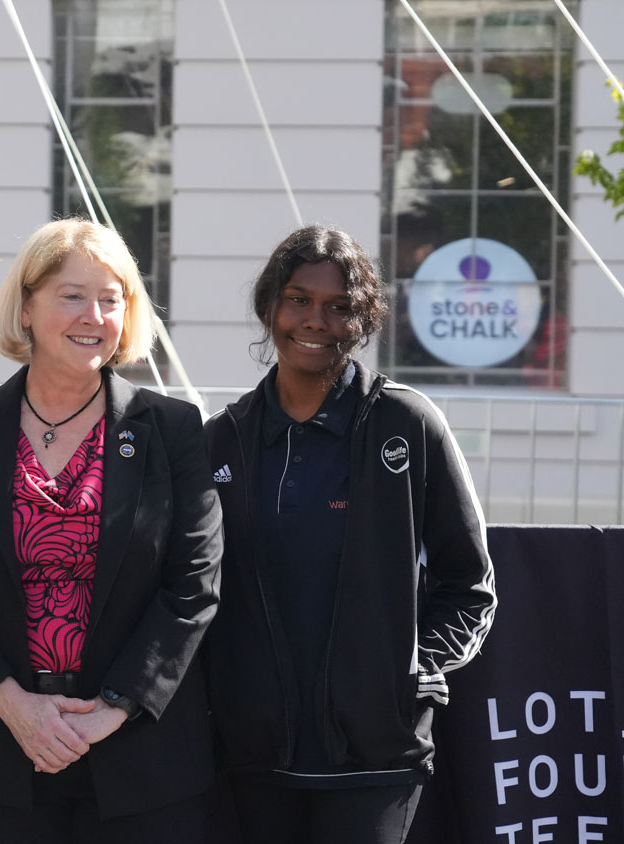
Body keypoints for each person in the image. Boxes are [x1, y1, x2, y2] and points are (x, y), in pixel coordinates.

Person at [0, 219, 222, 842]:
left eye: (112, 299)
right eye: (72, 295)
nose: (95, 315)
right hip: (3, 755)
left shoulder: (173, 429)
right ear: (26, 307)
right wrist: (16, 708)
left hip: (140, 757)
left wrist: (112, 709)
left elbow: (194, 587)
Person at [203, 224, 496, 844]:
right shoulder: (221, 438)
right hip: (253, 754)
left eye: (340, 307)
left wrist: (412, 669)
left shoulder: (407, 423)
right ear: (270, 307)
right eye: (298, 299)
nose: (316, 320)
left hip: (376, 756)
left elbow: (470, 583)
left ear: (362, 321)